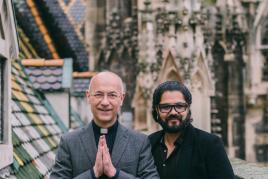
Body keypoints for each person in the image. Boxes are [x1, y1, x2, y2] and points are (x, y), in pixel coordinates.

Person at [50, 71, 159, 179]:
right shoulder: (69, 142)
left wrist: (115, 173)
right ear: (88, 96)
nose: (105, 102)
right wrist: (93, 173)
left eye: (112, 95)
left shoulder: (140, 142)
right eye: (99, 94)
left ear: (121, 98)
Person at [149, 80, 235, 179]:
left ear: (188, 109)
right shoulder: (150, 143)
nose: (173, 112)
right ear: (157, 110)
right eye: (166, 107)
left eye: (179, 106)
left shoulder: (209, 144)